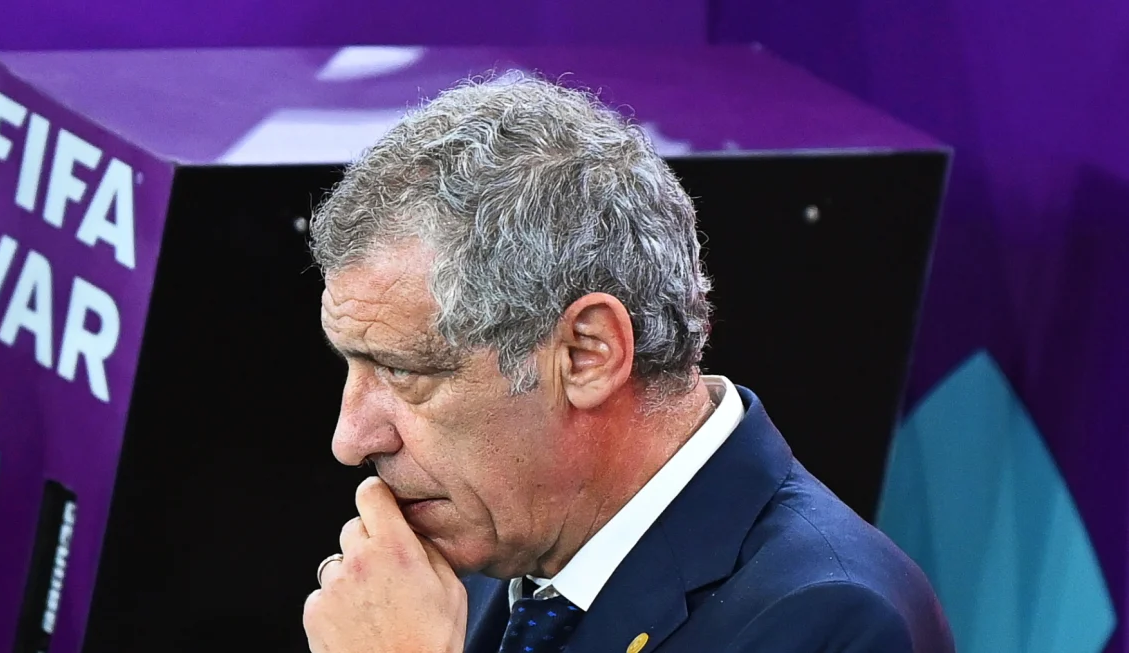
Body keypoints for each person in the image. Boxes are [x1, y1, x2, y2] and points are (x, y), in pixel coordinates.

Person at [301, 72, 954, 653]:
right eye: (351, 367)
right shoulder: (466, 553)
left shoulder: (832, 621)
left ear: (587, 353)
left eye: (404, 372)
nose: (349, 439)